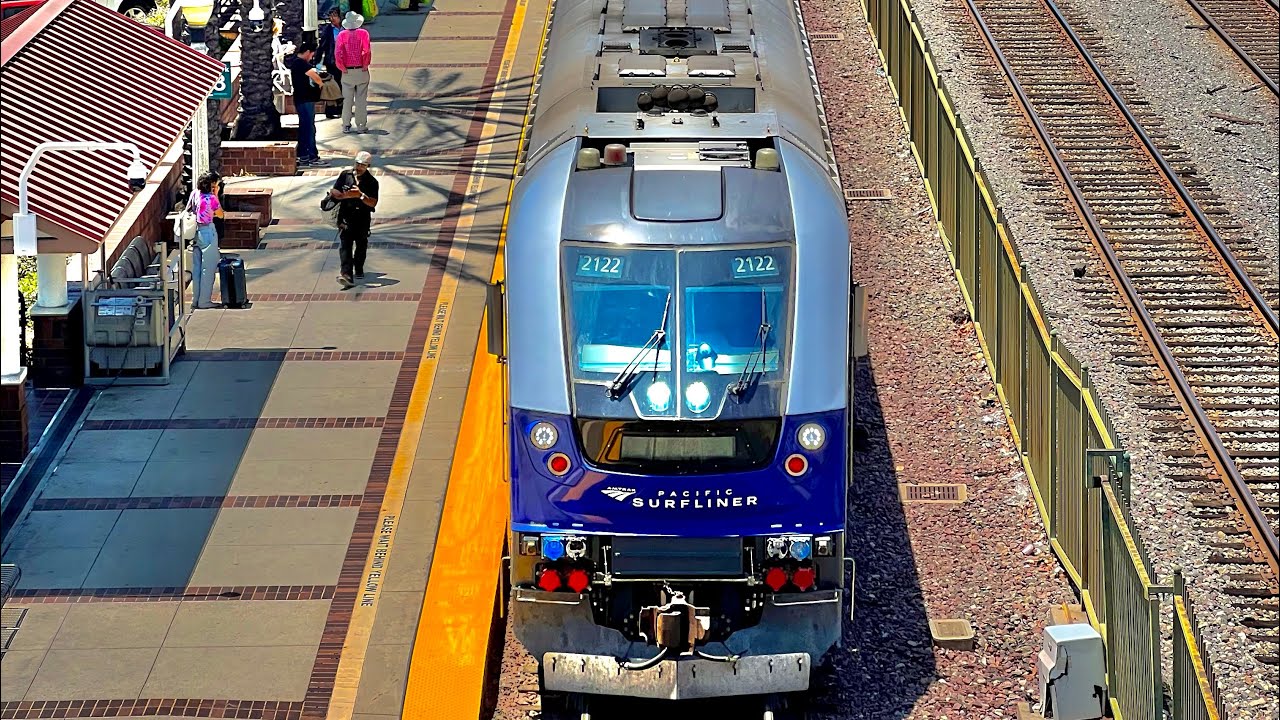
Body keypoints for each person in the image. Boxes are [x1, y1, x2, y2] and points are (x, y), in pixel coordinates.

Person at [328, 151, 380, 288]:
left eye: (362, 165)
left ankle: (359, 267)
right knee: (345, 245)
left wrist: (360, 195)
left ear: (368, 166)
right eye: (357, 164)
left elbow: (373, 203)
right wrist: (346, 196)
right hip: (346, 216)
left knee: (361, 245)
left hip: (362, 219)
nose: (359, 167)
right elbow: (334, 192)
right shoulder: (345, 175)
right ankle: (346, 274)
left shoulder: (372, 182)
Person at [286, 42, 326, 167]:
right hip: (305, 100)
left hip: (301, 100)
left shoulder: (296, 63)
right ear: (308, 51)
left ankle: (303, 156)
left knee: (305, 128)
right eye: (312, 54)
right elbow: (315, 76)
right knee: (309, 129)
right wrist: (320, 84)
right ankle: (312, 156)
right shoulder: (301, 63)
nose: (312, 57)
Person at [190, 172, 224, 309]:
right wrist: (216, 194)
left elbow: (190, 209)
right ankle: (204, 301)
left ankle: (196, 299)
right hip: (208, 232)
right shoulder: (211, 199)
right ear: (212, 185)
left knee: (197, 268)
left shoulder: (195, 194)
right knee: (208, 268)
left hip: (195, 232)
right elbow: (220, 214)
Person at [336, 12, 372, 134]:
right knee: (361, 100)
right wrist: (365, 64)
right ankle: (361, 125)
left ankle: (346, 124)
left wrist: (342, 68)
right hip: (361, 69)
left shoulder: (342, 35)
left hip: (347, 71)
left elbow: (338, 53)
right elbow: (366, 51)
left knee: (347, 100)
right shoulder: (363, 33)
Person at [317, 8, 344, 119]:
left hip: (344, 63)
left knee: (342, 86)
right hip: (332, 62)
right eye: (330, 16)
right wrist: (317, 62)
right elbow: (322, 46)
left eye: (334, 16)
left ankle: (341, 109)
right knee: (332, 86)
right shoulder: (328, 30)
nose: (332, 18)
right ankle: (331, 110)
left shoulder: (346, 29)